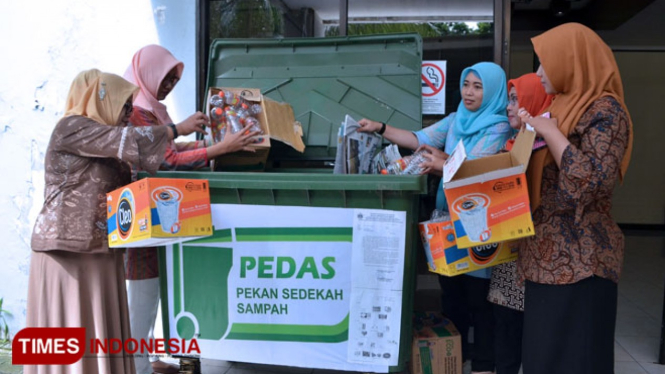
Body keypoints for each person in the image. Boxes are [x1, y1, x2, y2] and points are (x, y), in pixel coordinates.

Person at [359, 61, 513, 374]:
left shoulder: (499, 126)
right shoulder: (457, 118)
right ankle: (456, 355)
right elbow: (419, 139)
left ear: (493, 90)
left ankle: (484, 363)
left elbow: (477, 168)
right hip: (447, 220)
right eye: (466, 84)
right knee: (452, 294)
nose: (468, 92)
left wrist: (444, 163)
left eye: (477, 86)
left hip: (480, 224)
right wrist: (381, 128)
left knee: (479, 299)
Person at [25, 69, 180, 374]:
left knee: (100, 332)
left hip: (102, 252)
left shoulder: (108, 141)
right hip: (65, 253)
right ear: (100, 99)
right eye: (124, 106)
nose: (128, 114)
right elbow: (130, 139)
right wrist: (176, 129)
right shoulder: (71, 128)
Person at [122, 44, 259, 374]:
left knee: (157, 289)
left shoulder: (152, 109)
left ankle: (149, 360)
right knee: (143, 292)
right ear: (148, 73)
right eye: (165, 78)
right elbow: (165, 161)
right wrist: (219, 149)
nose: (169, 86)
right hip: (148, 215)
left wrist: (210, 145)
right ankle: (137, 367)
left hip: (163, 212)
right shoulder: (138, 112)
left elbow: (170, 147)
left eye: (174, 80)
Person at [515, 23, 633, 374]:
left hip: (582, 262)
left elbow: (592, 183)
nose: (538, 74)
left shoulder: (607, 112)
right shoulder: (560, 105)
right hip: (543, 257)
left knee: (575, 359)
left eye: (545, 63)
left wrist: (551, 133)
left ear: (573, 61)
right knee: (543, 356)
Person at [487, 72, 553, 374]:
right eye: (509, 99)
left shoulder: (545, 148)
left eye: (516, 99)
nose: (509, 107)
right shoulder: (514, 143)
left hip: (536, 257)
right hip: (509, 257)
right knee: (506, 329)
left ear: (534, 101)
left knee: (530, 334)